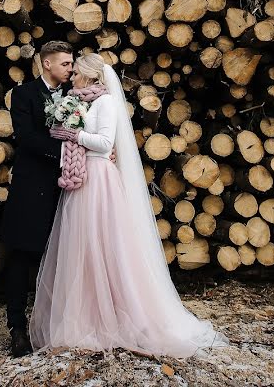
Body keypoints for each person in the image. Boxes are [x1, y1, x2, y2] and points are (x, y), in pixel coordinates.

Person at [30, 53, 227, 358]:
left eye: (77, 71)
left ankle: (118, 314)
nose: (72, 75)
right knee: (82, 248)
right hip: (83, 178)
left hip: (99, 181)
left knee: (105, 246)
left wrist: (75, 134)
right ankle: (86, 316)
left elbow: (106, 143)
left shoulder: (106, 102)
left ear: (90, 76)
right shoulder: (81, 101)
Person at [0, 40, 73, 357]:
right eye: (66, 63)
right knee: (21, 254)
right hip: (33, 184)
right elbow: (26, 137)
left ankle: (60, 323)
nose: (71, 68)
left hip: (69, 186)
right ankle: (17, 327)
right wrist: (66, 153)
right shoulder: (24, 94)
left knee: (65, 254)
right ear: (47, 64)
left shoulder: (75, 95)